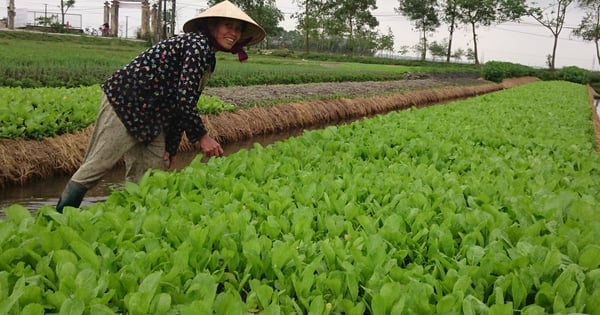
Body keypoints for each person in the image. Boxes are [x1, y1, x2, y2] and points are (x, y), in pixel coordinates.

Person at [56, 0, 266, 212]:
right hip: (126, 102)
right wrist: (202, 137)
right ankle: (58, 220)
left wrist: (172, 145)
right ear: (212, 25)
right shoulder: (197, 45)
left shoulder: (206, 53)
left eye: (238, 29)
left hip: (153, 114)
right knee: (98, 165)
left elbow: (183, 101)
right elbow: (185, 98)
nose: (234, 33)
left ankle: (135, 221)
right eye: (228, 26)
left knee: (152, 173)